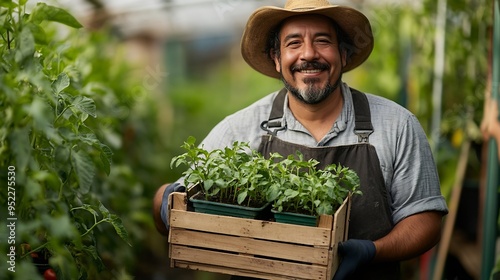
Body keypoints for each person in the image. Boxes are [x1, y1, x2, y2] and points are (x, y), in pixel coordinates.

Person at [153, 0, 449, 279]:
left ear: (343, 55)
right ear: (277, 59)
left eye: (323, 41)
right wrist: (167, 202)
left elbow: (425, 219)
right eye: (294, 43)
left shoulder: (397, 126)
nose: (308, 54)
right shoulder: (241, 130)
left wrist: (373, 251)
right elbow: (175, 199)